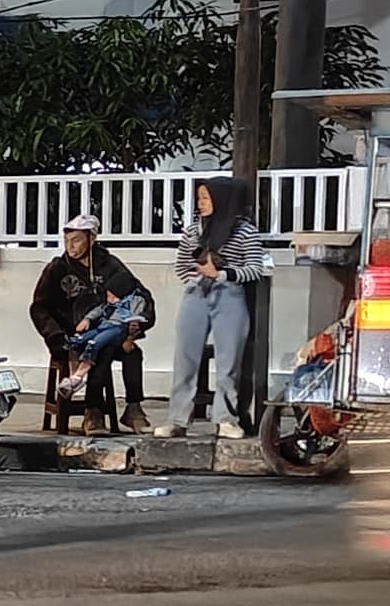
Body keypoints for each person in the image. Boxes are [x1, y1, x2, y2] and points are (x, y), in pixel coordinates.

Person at [27, 213, 151, 437]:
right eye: (67, 241)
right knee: (99, 352)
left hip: (111, 331)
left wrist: (136, 326)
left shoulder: (111, 265)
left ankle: (134, 408)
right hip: (72, 336)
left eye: (76, 240)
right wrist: (55, 337)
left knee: (133, 354)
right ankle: (93, 411)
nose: (70, 246)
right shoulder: (57, 268)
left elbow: (138, 294)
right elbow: (39, 307)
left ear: (91, 239)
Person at [168, 180, 264, 433]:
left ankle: (225, 418)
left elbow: (255, 268)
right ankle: (178, 419)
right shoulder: (192, 232)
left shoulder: (244, 231)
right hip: (196, 294)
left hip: (229, 295)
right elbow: (181, 267)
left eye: (206, 199)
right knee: (185, 358)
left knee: (228, 359)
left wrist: (221, 274)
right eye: (199, 199)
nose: (201, 204)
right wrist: (200, 275)